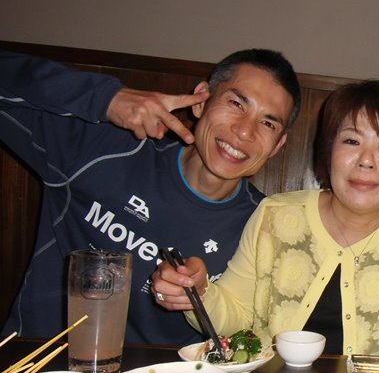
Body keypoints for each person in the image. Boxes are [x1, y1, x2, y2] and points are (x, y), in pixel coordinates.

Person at [0, 48, 301, 346]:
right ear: (201, 100)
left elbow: (249, 332)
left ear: (278, 145)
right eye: (236, 103)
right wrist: (105, 98)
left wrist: (204, 294)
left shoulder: (263, 226)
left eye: (268, 123)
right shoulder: (103, 149)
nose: (245, 131)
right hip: (36, 366)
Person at [152, 80, 379, 361]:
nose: (366, 160)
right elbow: (238, 315)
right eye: (351, 141)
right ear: (328, 154)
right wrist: (198, 292)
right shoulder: (275, 215)